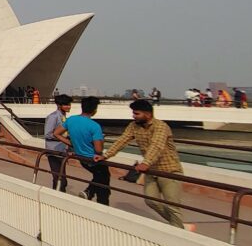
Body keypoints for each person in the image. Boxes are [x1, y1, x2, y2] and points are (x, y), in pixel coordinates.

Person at [98, 99, 195, 231]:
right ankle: (180, 226)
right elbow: (122, 140)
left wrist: (145, 163)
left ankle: (178, 233)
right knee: (151, 200)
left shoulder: (161, 126)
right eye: (133, 113)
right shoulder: (133, 126)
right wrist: (106, 155)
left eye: (136, 113)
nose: (133, 116)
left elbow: (157, 145)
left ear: (148, 114)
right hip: (151, 170)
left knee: (172, 205)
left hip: (169, 170)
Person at [54, 96, 109, 205]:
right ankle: (93, 196)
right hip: (93, 159)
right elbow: (98, 149)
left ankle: (90, 193)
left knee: (100, 178)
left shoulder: (71, 120)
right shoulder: (94, 126)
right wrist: (101, 140)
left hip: (80, 157)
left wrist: (71, 143)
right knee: (104, 180)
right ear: (94, 110)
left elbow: (56, 133)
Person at [44, 94, 72, 192]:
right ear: (59, 105)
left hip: (62, 150)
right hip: (54, 150)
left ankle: (56, 194)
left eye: (69, 104)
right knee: (59, 178)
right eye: (66, 105)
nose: (69, 106)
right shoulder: (53, 117)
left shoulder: (64, 117)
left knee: (61, 178)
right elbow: (48, 134)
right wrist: (62, 138)